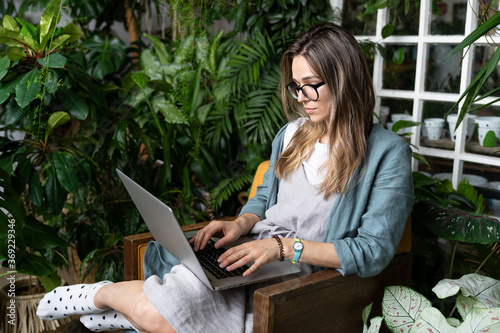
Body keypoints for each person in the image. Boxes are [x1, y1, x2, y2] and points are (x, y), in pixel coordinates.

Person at [37, 24, 413, 333]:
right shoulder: (292, 133)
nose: (302, 98)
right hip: (255, 257)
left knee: (157, 317)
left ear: (344, 80)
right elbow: (266, 196)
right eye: (296, 87)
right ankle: (112, 301)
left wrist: (283, 248)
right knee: (167, 309)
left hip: (302, 276)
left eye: (312, 84)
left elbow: (372, 251)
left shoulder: (386, 153)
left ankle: (103, 297)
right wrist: (242, 223)